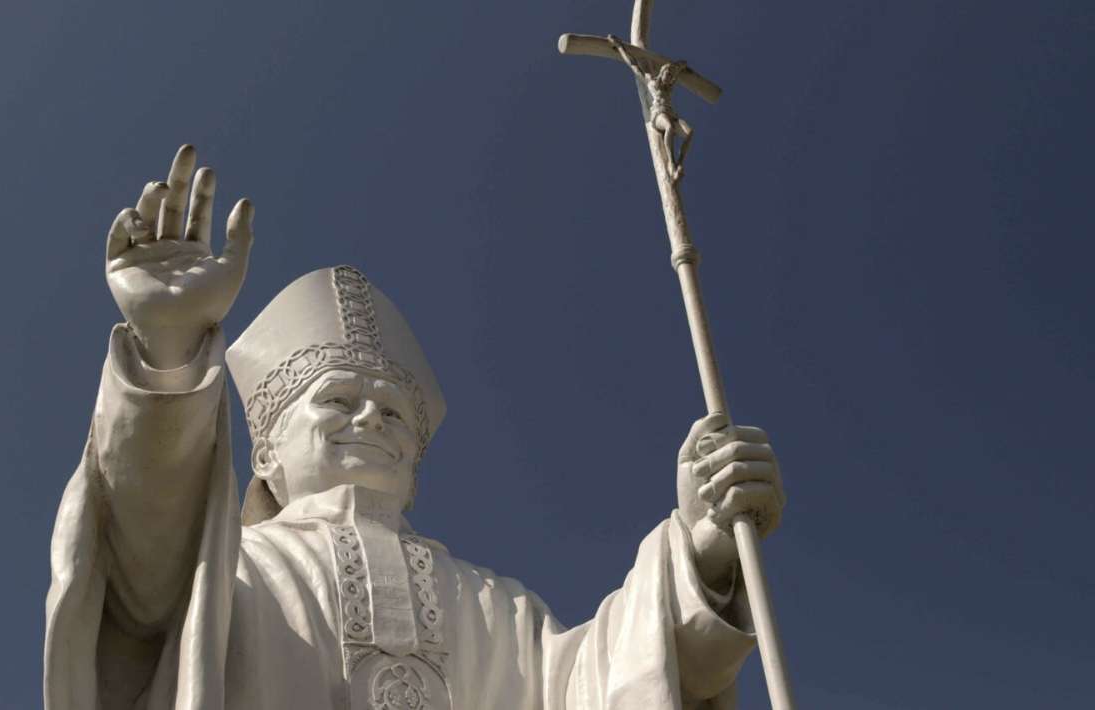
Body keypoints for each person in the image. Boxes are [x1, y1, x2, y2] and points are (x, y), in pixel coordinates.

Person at [44, 145, 787, 710]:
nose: (369, 415)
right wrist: (167, 357)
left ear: (417, 462)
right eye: (336, 400)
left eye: (392, 410)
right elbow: (141, 552)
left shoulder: (500, 607)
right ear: (266, 452)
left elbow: (610, 681)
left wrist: (702, 551)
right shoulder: (228, 572)